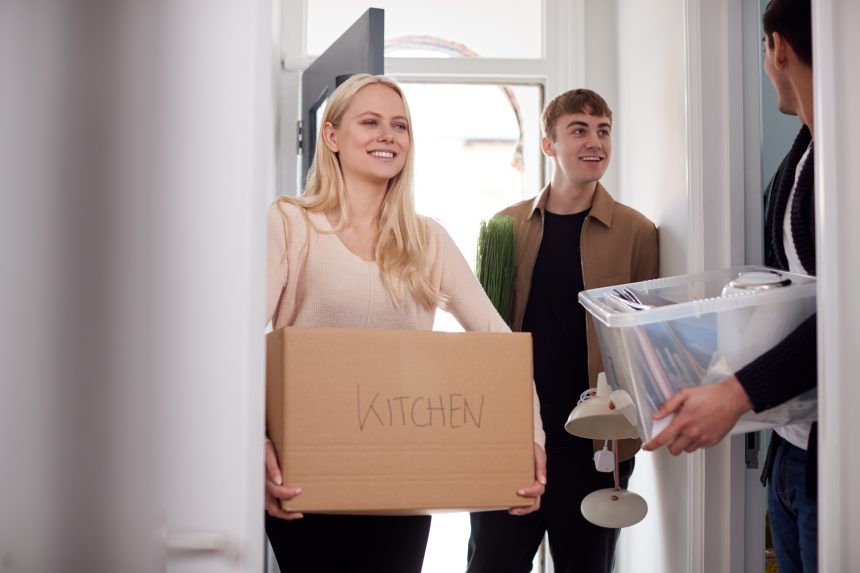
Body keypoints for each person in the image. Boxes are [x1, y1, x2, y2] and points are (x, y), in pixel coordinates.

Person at [263, 73, 547, 573]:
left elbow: (499, 345)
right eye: (369, 122)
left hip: (400, 475)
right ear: (331, 136)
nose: (387, 135)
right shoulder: (290, 223)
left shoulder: (427, 240)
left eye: (400, 125)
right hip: (304, 471)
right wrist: (252, 444)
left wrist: (531, 439)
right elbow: (239, 343)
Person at [642, 0, 818, 570]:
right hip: (789, 455)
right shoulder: (798, 162)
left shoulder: (845, 163)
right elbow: (792, 297)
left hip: (837, 464)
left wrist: (734, 394)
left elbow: (850, 313)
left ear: (778, 49)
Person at [466, 88, 658, 573]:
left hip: (595, 444)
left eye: (603, 130)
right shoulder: (504, 227)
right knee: (492, 563)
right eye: (579, 129)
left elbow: (645, 339)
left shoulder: (637, 233)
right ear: (549, 144)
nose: (595, 142)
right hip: (512, 437)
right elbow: (484, 338)